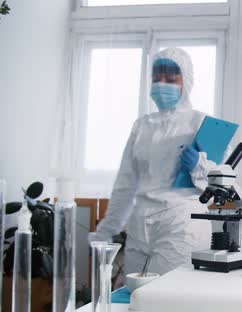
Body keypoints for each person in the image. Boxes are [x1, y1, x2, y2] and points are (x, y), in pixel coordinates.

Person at [88, 48, 219, 275]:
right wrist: (107, 230)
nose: (161, 84)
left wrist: (200, 165)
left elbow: (219, 184)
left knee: (169, 296)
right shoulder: (142, 126)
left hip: (179, 223)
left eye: (170, 79)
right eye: (156, 78)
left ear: (185, 81)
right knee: (135, 294)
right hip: (140, 223)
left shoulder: (203, 123)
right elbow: (125, 184)